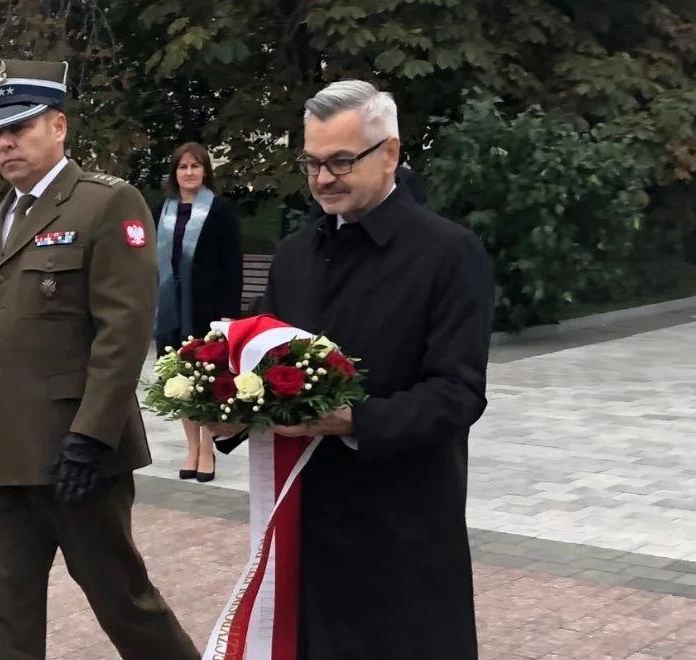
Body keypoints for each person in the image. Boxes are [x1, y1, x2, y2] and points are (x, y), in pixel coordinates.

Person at [210, 80, 494, 658]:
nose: (322, 179)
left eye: (341, 161)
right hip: (309, 524)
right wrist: (229, 410)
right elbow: (264, 357)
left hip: (402, 525)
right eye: (312, 163)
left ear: (389, 153)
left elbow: (459, 394)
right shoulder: (296, 253)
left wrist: (354, 419)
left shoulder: (448, 253)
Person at [0, 58, 199, 660]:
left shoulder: (106, 204)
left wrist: (90, 438)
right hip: (4, 455)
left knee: (123, 602)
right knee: (8, 615)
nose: (5, 142)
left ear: (58, 127)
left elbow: (123, 330)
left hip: (77, 455)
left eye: (21, 127)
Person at [154, 141, 242, 483]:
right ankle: (190, 446)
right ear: (174, 173)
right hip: (172, 309)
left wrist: (229, 318)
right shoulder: (164, 210)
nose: (189, 172)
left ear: (205, 170)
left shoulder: (219, 210)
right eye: (182, 167)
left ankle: (208, 449)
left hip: (209, 310)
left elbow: (232, 264)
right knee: (179, 380)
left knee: (207, 382)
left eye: (195, 166)